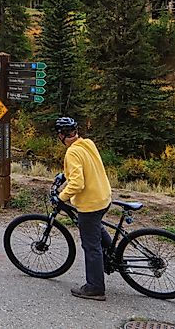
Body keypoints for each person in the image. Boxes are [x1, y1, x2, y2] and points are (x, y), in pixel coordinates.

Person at [52, 116, 113, 301]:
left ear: (61, 136)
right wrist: (64, 175)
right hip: (104, 197)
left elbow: (77, 183)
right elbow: (86, 166)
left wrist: (60, 197)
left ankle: (95, 288)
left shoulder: (71, 153)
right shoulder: (87, 143)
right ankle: (112, 256)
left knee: (90, 245)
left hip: (90, 204)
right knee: (96, 228)